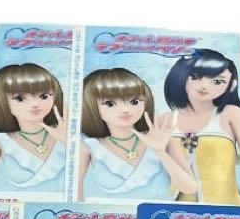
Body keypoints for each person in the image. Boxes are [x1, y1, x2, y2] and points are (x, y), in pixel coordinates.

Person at [78, 67, 197, 200]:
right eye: (110, 103)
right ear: (91, 105)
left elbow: (190, 188)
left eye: (134, 101)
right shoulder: (87, 146)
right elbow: (75, 192)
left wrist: (160, 152)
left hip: (154, 212)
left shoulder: (164, 140)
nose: (125, 109)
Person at [164, 49, 240, 204]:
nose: (204, 86)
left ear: (231, 85)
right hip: (177, 211)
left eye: (217, 81)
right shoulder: (168, 119)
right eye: (195, 77)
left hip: (226, 208)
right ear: (180, 76)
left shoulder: (231, 114)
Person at [0, 63, 67, 199]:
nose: (35, 104)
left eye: (44, 96)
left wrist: (68, 141)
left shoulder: (67, 135)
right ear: (1, 101)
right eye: (20, 98)